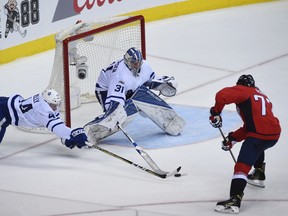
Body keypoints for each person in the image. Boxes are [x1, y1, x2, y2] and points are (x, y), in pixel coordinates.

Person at [209, 74, 281, 214]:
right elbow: (252, 126)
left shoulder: (243, 90)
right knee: (259, 145)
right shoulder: (262, 96)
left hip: (258, 136)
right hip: (273, 134)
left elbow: (221, 95)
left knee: (242, 166)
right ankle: (259, 172)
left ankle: (234, 199)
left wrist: (215, 112)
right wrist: (232, 139)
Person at [84, 47, 185, 144]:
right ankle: (91, 132)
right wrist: (114, 115)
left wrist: (164, 83)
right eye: (133, 63)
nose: (137, 65)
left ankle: (169, 121)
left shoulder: (144, 65)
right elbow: (114, 101)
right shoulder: (120, 75)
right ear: (127, 61)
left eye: (138, 62)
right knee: (115, 116)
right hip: (105, 90)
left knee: (142, 94)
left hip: (128, 89)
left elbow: (150, 80)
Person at [0, 88, 87, 149]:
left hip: (5, 105)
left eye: (56, 104)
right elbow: (58, 128)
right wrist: (74, 133)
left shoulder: (43, 98)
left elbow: (58, 126)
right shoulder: (43, 110)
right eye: (53, 105)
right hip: (3, 112)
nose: (55, 107)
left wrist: (67, 138)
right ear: (47, 102)